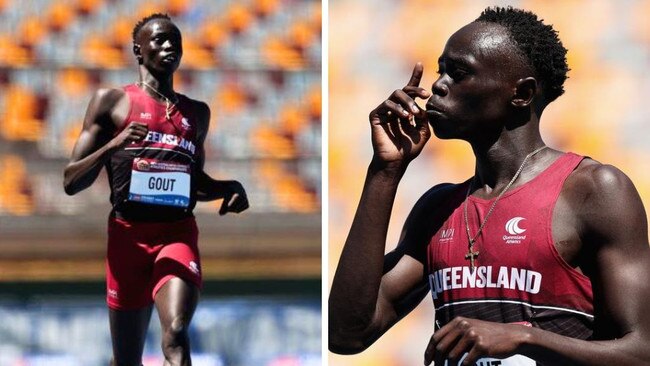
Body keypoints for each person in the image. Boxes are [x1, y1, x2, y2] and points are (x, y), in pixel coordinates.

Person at [329, 6, 650, 365]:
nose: (438, 84)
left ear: (522, 94)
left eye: (460, 72)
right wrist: (384, 172)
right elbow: (346, 335)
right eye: (442, 70)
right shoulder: (437, 208)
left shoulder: (593, 189)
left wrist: (524, 337)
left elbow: (641, 352)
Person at [63, 13, 249, 366]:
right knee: (127, 360)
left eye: (175, 42)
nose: (169, 47)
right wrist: (113, 146)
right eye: (160, 40)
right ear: (138, 50)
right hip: (127, 239)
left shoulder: (197, 113)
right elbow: (71, 181)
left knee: (176, 333)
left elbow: (193, 183)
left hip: (176, 234)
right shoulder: (112, 102)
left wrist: (228, 188)